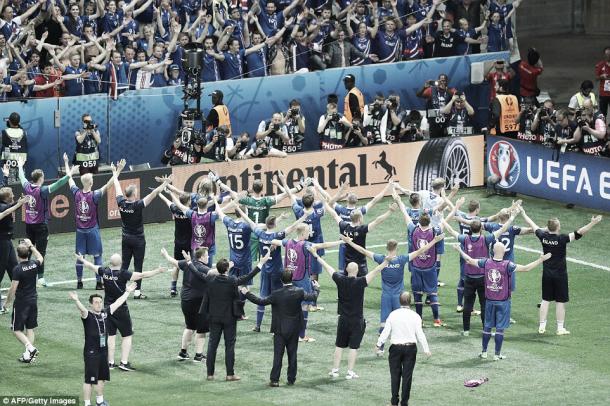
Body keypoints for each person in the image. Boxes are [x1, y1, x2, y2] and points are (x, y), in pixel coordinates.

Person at [342, 234, 445, 356]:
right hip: (398, 297)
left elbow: (362, 250)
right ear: (396, 248)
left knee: (384, 323)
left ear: (387, 248)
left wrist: (349, 242)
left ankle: (380, 348)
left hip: (386, 296)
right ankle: (401, 345)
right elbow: (420, 251)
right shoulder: (401, 259)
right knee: (400, 322)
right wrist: (434, 240)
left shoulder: (381, 259)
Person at [455, 242, 550, 360]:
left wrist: (460, 249)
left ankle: (484, 352)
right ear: (504, 251)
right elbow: (526, 268)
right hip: (503, 302)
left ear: (493, 251)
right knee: (500, 328)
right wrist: (540, 260)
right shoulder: (507, 265)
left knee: (487, 327)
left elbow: (469, 260)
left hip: (489, 301)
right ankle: (496, 354)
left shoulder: (486, 262)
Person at [76, 252, 166, 371]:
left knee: (111, 336)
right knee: (127, 335)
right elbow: (142, 275)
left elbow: (91, 266)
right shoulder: (123, 274)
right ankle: (124, 362)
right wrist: (158, 271)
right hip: (121, 308)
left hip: (108, 309)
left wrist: (82, 260)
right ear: (121, 262)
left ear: (110, 263)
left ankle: (110, 363)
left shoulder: (105, 271)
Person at [520, 210, 603, 335]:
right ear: (558, 227)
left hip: (547, 274)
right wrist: (593, 223)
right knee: (560, 302)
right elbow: (580, 232)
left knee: (545, 300)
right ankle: (560, 328)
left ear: (548, 227)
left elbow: (532, 224)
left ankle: (542, 326)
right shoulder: (562, 238)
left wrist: (523, 213)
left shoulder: (543, 236)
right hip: (560, 275)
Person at [310, 247, 388, 380]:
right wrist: (386, 262)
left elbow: (328, 268)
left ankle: (335, 370)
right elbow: (376, 271)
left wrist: (316, 255)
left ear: (346, 270)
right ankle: (350, 372)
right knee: (353, 348)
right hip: (357, 319)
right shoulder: (361, 281)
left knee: (339, 346)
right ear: (357, 271)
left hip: (343, 319)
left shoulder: (340, 280)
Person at [442, 208, 517, 335]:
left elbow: (450, 230)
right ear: (481, 229)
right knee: (484, 304)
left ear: (470, 229)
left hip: (469, 277)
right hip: (483, 277)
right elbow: (502, 230)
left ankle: (466, 330)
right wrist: (512, 217)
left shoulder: (465, 239)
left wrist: (442, 219)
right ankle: (484, 329)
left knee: (468, 304)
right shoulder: (486, 240)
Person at [240, 271, 319, 387]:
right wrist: (316, 287)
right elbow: (313, 296)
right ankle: (291, 379)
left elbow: (260, 301)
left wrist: (247, 293)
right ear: (292, 278)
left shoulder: (276, 294)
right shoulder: (299, 291)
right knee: (293, 355)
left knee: (278, 355)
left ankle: (274, 380)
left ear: (281, 280)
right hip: (294, 329)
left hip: (280, 329)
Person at [234, 205, 305, 332]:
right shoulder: (277, 235)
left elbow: (249, 221)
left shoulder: (260, 233)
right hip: (277, 271)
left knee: (262, 297)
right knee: (277, 299)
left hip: (264, 270)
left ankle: (257, 326)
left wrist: (239, 210)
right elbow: (293, 227)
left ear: (265, 224)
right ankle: (275, 328)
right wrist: (304, 216)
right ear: (275, 224)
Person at [69, 281, 137, 406]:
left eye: (100, 302)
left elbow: (118, 303)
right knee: (89, 380)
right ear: (91, 304)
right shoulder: (87, 315)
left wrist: (127, 292)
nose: (99, 304)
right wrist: (76, 300)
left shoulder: (105, 313)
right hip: (91, 353)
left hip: (103, 352)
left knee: (101, 377)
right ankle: (87, 403)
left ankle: (100, 401)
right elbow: (82, 309)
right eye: (96, 302)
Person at [203, 256, 268, 381]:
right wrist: (260, 263)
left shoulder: (210, 280)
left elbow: (197, 273)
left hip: (214, 317)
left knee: (212, 345)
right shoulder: (232, 281)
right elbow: (248, 276)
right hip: (229, 318)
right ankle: (229, 374)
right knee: (229, 346)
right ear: (227, 269)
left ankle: (210, 374)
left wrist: (189, 262)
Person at [113, 161, 167, 299]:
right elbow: (154, 193)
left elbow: (116, 186)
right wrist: (166, 183)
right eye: (136, 192)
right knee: (138, 265)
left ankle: (120, 288)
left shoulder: (121, 203)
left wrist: (116, 172)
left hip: (126, 238)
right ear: (133, 194)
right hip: (138, 239)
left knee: (124, 264)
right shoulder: (137, 205)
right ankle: (137, 292)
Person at [17, 154, 72, 287]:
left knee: (28, 251)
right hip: (41, 226)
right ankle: (40, 279)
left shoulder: (27, 187)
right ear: (41, 178)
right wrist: (70, 175)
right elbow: (58, 184)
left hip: (29, 225)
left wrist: (20, 165)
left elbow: (21, 177)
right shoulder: (41, 190)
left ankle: (23, 274)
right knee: (41, 252)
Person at [66, 156, 120, 290]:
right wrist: (117, 171)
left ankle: (79, 282)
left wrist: (67, 163)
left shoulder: (76, 193)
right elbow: (109, 185)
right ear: (90, 183)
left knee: (80, 257)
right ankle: (98, 283)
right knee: (97, 257)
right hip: (92, 230)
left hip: (80, 231)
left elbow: (69, 179)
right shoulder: (95, 195)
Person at [376, 292, 431, 406]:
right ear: (410, 302)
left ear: (399, 301)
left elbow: (386, 331)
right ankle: (404, 402)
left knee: (395, 376)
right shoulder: (415, 316)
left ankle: (394, 402)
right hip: (411, 349)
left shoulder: (393, 314)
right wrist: (426, 349)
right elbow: (420, 334)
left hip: (395, 348)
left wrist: (379, 344)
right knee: (407, 376)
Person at [324, 192, 396, 276]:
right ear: (359, 218)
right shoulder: (362, 230)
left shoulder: (343, 226)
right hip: (361, 265)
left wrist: (325, 203)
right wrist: (390, 211)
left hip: (348, 264)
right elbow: (377, 221)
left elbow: (334, 215)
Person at [161, 247, 209, 363]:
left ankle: (183, 352)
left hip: (185, 300)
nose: (208, 257)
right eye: (206, 255)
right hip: (199, 301)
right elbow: (215, 274)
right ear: (201, 257)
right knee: (201, 330)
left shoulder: (187, 263)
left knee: (189, 326)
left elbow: (174, 262)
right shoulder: (203, 268)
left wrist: (166, 255)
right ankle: (198, 355)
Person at [4, 239, 42, 363]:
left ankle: (30, 349)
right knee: (30, 329)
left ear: (18, 254)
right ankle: (28, 356)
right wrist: (31, 245)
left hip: (22, 303)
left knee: (16, 329)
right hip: (33, 300)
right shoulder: (34, 264)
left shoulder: (17, 269)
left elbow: (12, 289)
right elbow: (41, 258)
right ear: (28, 254)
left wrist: (6, 303)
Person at [158, 192, 192, 297]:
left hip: (178, 242)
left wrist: (160, 193)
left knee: (176, 264)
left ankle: (173, 288)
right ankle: (190, 287)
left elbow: (167, 201)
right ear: (188, 201)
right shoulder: (190, 212)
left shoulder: (175, 210)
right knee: (191, 265)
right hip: (189, 243)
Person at [416, 74, 456, 138]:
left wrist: (446, 90)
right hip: (433, 122)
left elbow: (457, 96)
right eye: (441, 80)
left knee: (446, 141)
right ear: (438, 81)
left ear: (447, 81)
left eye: (444, 81)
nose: (442, 82)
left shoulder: (451, 90)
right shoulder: (431, 90)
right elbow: (418, 95)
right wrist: (424, 87)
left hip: (447, 122)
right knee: (434, 141)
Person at [1, 112, 27, 184]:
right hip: (21, 165)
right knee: (20, 187)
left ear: (9, 121)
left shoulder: (4, 133)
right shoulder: (24, 133)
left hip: (8, 165)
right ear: (19, 122)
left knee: (9, 189)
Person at [594, 46, 610, 119]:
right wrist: (602, 76)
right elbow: (596, 78)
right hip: (604, 94)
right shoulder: (600, 65)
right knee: (603, 113)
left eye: (609, 54)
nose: (608, 56)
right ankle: (603, 128)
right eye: (607, 55)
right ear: (604, 55)